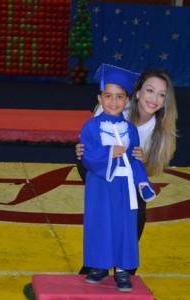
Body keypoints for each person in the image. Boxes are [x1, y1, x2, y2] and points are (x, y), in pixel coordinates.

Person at [77, 67, 178, 275]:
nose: (154, 99)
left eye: (162, 95)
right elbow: (89, 143)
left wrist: (144, 160)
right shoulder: (115, 104)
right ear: (138, 92)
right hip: (99, 168)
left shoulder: (160, 130)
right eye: (150, 91)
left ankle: (124, 269)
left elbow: (151, 169)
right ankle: (95, 266)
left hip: (130, 177)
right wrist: (82, 149)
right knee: (104, 217)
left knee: (134, 218)